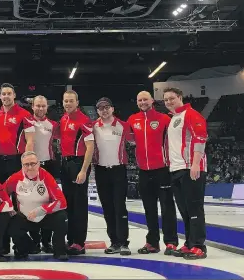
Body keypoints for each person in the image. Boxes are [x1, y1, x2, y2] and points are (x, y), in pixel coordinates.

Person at [127, 91, 179, 255]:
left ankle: (171, 242)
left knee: (167, 207)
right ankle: (152, 242)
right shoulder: (132, 120)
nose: (143, 102)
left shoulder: (164, 119)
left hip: (162, 170)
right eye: (139, 100)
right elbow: (128, 138)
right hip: (143, 171)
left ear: (152, 101)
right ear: (137, 102)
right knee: (149, 209)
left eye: (145, 99)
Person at [163, 87, 208, 260]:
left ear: (180, 97)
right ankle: (189, 243)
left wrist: (196, 164)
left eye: (171, 98)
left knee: (194, 208)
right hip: (176, 169)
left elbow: (200, 138)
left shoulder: (191, 114)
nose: (168, 102)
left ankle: (199, 245)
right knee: (185, 209)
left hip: (190, 168)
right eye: (166, 100)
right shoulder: (173, 118)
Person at [5, 151, 68, 261]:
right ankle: (26, 247)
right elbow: (2, 194)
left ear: (39, 164)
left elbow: (61, 202)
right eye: (26, 164)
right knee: (10, 222)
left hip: (45, 217)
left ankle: (59, 250)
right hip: (25, 217)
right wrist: (10, 209)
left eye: (33, 164)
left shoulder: (47, 177)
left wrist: (41, 210)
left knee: (61, 217)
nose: (30, 167)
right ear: (22, 165)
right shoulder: (15, 178)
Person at [0, 83, 31, 253]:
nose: (6, 96)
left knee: (17, 202)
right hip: (0, 160)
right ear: (0, 96)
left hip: (16, 160)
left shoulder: (25, 114)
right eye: (3, 94)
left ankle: (21, 244)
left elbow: (30, 140)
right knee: (1, 201)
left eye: (9, 93)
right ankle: (2, 244)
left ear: (14, 95)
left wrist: (26, 162)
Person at [92, 97, 132, 255]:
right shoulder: (94, 126)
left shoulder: (123, 125)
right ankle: (114, 241)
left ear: (112, 109)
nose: (104, 110)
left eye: (107, 107)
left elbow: (137, 141)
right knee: (107, 207)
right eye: (101, 108)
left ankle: (124, 242)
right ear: (97, 111)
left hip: (118, 170)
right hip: (101, 170)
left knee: (120, 206)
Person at [58, 90, 94, 255]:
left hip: (78, 163)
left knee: (79, 205)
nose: (68, 104)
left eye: (71, 101)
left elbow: (90, 147)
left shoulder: (84, 120)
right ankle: (71, 239)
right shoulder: (63, 119)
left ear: (77, 102)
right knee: (69, 204)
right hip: (65, 163)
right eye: (65, 101)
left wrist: (84, 170)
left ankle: (79, 242)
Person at [22, 95, 59, 253]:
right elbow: (28, 141)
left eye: (43, 106)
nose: (40, 108)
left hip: (48, 165)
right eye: (37, 106)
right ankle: (35, 240)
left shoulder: (53, 125)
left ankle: (46, 240)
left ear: (47, 107)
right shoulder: (27, 121)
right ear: (32, 106)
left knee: (47, 203)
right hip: (32, 167)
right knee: (32, 203)